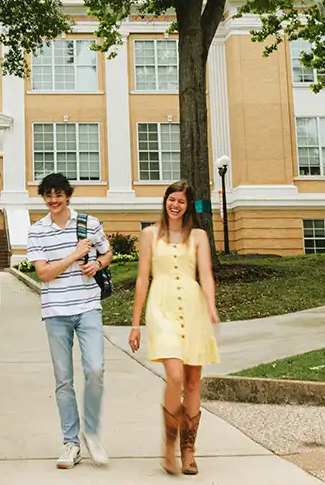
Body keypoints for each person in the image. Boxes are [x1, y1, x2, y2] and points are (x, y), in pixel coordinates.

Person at [128, 180, 219, 475]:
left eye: (181, 200)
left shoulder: (199, 237)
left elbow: (205, 274)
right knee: (176, 375)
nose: (175, 205)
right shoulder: (150, 234)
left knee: (193, 380)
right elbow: (143, 279)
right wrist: (135, 323)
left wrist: (211, 305)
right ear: (165, 201)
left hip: (193, 309)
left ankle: (188, 451)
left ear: (187, 205)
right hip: (162, 307)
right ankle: (168, 446)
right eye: (171, 199)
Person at [26, 173, 112, 470]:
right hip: (56, 311)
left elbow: (107, 251)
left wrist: (97, 263)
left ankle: (92, 432)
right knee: (64, 380)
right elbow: (44, 274)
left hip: (88, 306)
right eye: (48, 195)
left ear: (68, 195)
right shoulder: (37, 230)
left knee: (95, 369)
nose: (53, 200)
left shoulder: (89, 223)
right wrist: (74, 256)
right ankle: (71, 443)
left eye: (58, 194)